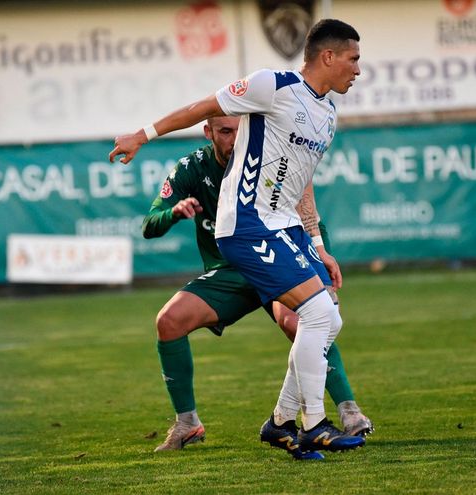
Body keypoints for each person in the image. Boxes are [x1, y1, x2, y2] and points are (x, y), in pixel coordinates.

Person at [111, 19, 363, 457]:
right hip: (248, 223)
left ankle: (282, 422)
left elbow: (301, 183)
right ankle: (313, 423)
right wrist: (142, 135)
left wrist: (317, 244)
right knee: (319, 314)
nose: (358, 69)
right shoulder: (274, 85)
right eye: (353, 59)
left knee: (327, 319)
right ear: (328, 56)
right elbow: (200, 106)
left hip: (280, 226)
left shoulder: (327, 114)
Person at [143, 115, 372, 459]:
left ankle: (348, 412)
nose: (234, 139)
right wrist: (174, 212)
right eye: (224, 132)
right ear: (208, 132)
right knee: (168, 321)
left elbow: (302, 201)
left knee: (307, 321)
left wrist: (319, 249)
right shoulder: (191, 168)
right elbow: (150, 224)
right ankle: (187, 422)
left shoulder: (269, 159)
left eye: (240, 130)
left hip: (273, 261)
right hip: (230, 271)